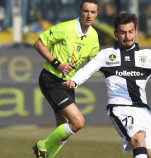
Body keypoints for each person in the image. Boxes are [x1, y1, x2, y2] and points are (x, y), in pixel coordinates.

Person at [62, 13, 151, 158]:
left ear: (136, 32)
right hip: (119, 107)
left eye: (131, 32)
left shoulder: (147, 56)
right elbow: (87, 70)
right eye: (123, 32)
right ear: (116, 34)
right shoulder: (106, 55)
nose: (128, 36)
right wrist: (74, 81)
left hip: (143, 110)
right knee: (138, 139)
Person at [32, 0, 99, 157]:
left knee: (64, 131)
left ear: (97, 14)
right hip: (51, 79)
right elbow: (39, 44)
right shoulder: (65, 28)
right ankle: (42, 145)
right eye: (86, 11)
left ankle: (45, 156)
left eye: (93, 12)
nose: (89, 15)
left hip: (68, 84)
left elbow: (93, 61)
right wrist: (57, 64)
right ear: (79, 11)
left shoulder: (94, 36)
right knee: (78, 122)